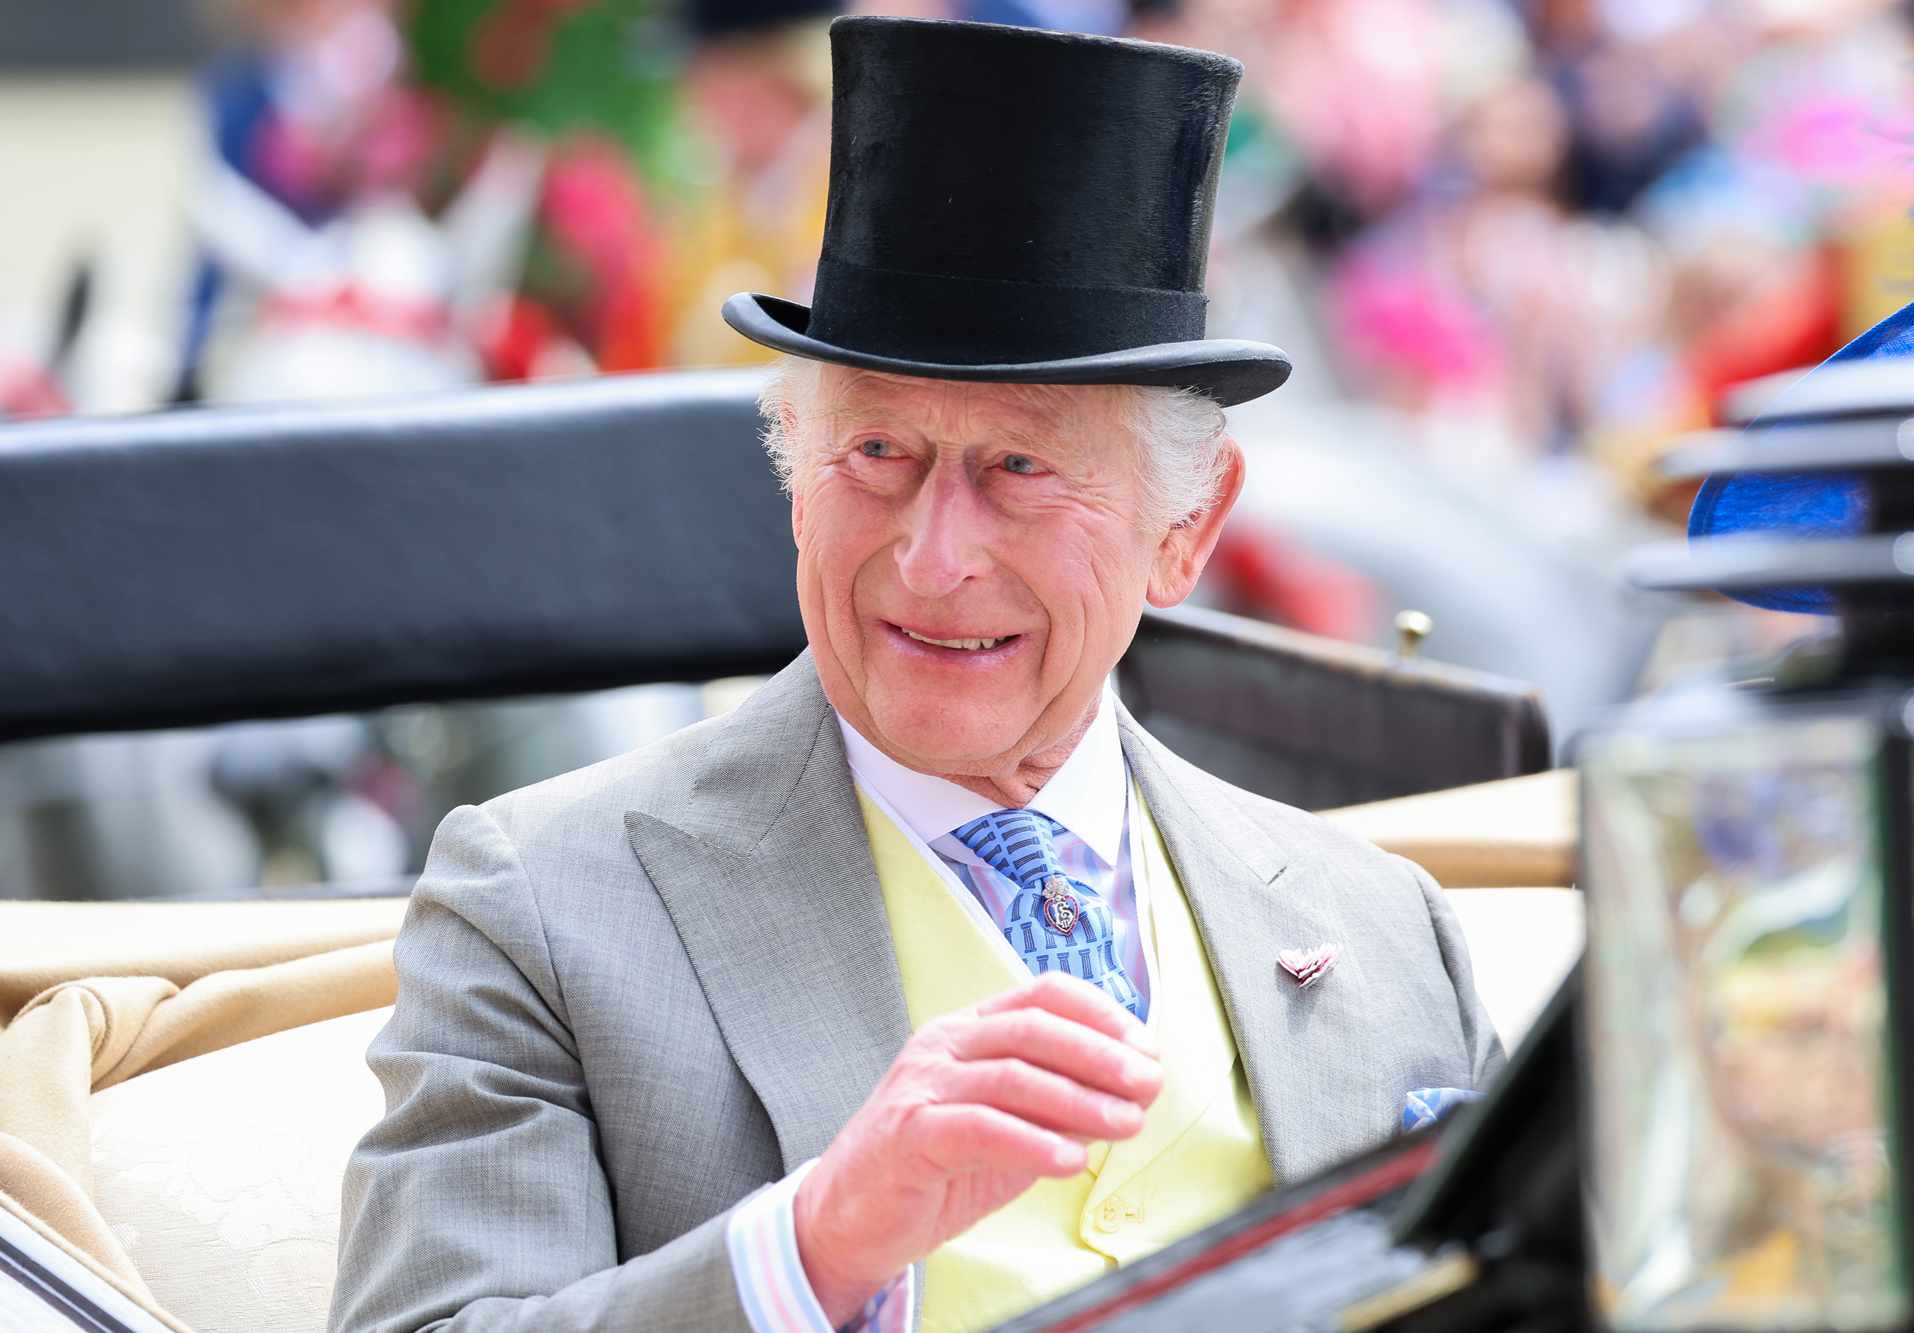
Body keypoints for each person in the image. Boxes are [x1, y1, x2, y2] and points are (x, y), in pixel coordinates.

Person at [329, 17, 1499, 1333]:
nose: (934, 558)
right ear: (792, 481)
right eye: (878, 451)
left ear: (1186, 529)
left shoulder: (1390, 931)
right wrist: (813, 1247)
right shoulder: (541, 907)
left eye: (1022, 467)